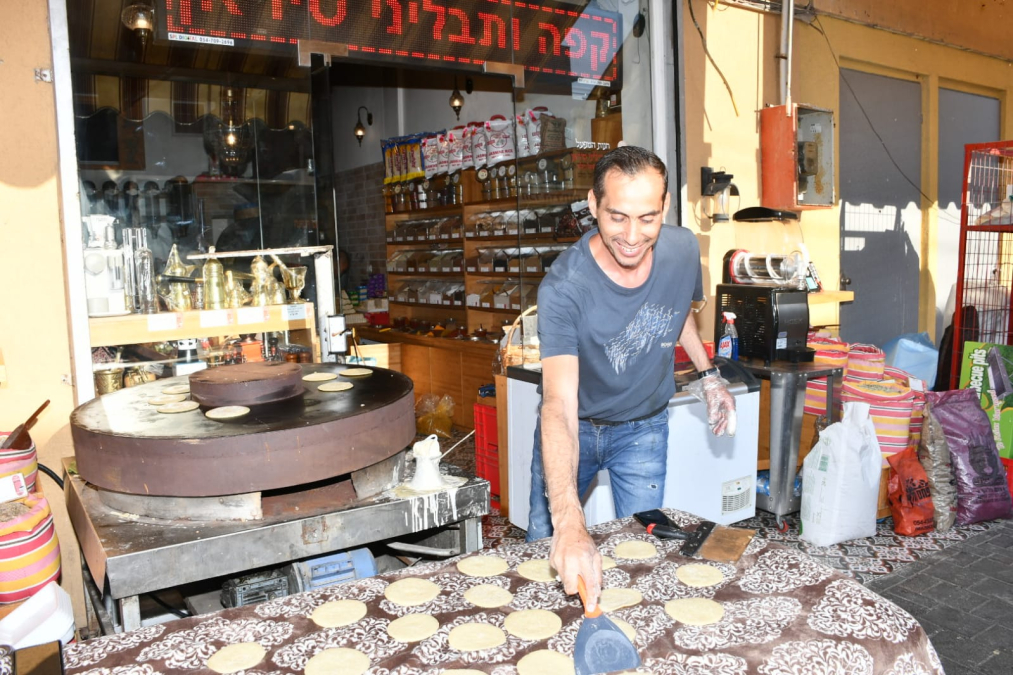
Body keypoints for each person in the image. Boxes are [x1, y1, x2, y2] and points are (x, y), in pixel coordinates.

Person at [529, 146, 736, 611]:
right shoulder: (564, 288)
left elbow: (676, 309)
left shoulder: (682, 249)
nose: (632, 235)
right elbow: (558, 405)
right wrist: (569, 519)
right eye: (617, 217)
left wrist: (709, 375)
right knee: (548, 545)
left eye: (647, 218)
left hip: (644, 427)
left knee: (643, 552)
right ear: (593, 204)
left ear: (664, 207)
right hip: (575, 428)